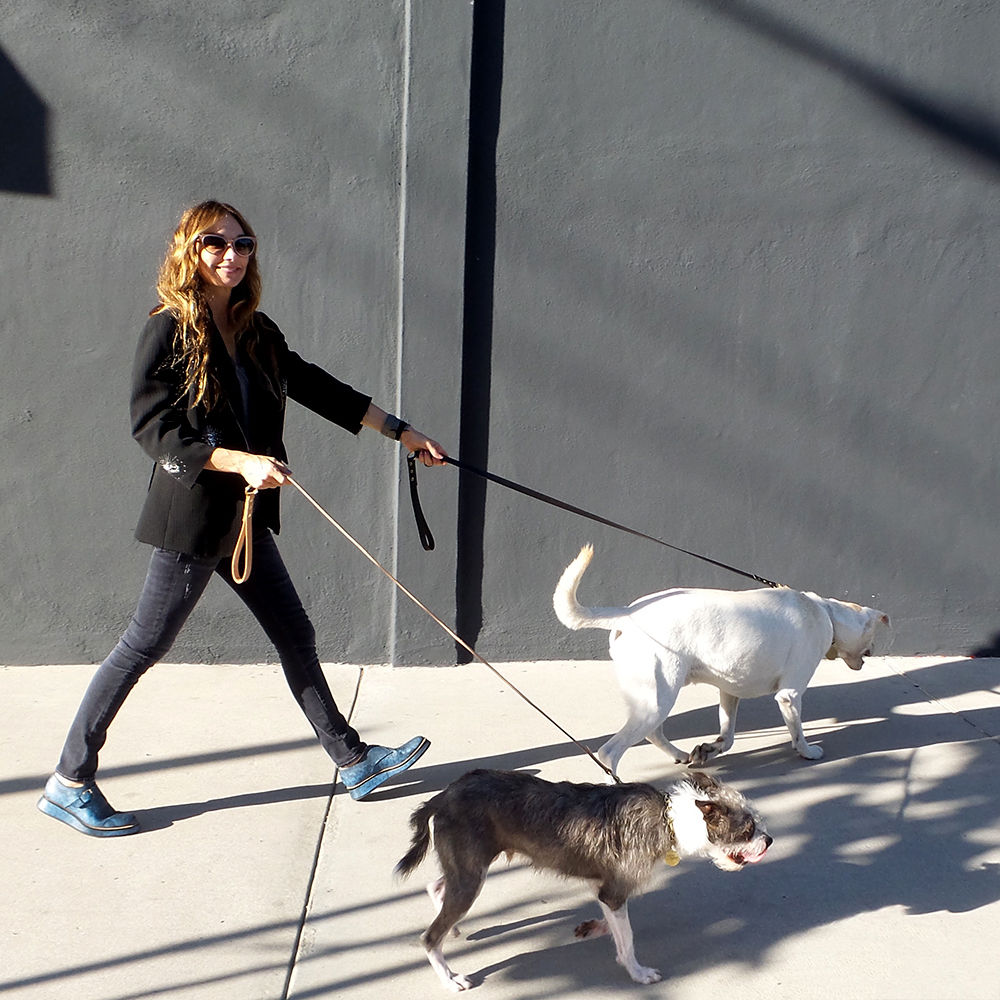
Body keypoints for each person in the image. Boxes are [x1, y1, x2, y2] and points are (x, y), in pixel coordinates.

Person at [38, 200, 448, 837]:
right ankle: (69, 780)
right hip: (195, 518)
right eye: (216, 243)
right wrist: (240, 461)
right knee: (144, 645)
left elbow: (317, 386)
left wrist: (402, 431)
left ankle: (353, 761)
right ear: (190, 250)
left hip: (246, 519)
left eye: (243, 243)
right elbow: (153, 429)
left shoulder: (256, 330)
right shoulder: (168, 327)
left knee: (294, 633)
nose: (231, 254)